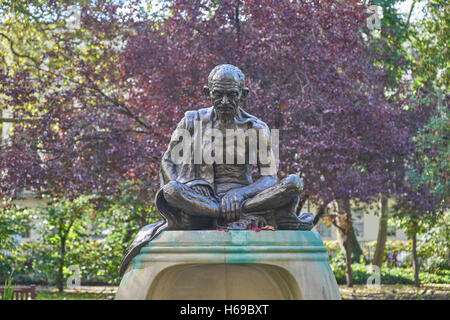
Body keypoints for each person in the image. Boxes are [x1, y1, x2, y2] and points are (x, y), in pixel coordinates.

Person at [119, 64, 313, 275]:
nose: (225, 102)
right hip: (201, 198)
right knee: (171, 191)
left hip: (246, 200)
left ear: (244, 95)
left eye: (232, 95)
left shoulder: (258, 128)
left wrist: (239, 194)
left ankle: (212, 216)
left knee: (293, 183)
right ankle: (218, 213)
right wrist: (190, 185)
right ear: (207, 93)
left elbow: (269, 178)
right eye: (218, 94)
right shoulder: (191, 121)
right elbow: (168, 163)